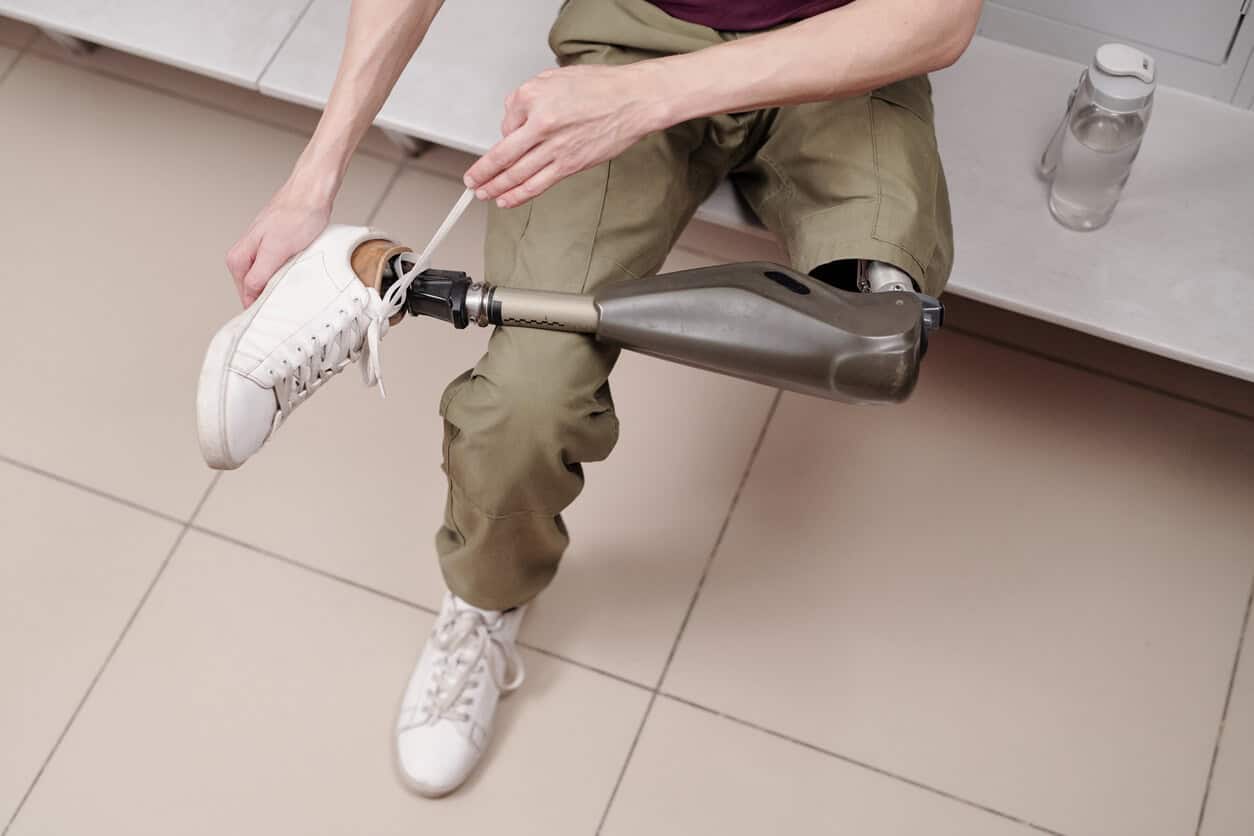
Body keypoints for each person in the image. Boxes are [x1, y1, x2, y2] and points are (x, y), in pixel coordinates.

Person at [205, 0, 979, 797]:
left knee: (876, 338)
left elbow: (939, 18)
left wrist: (659, 97)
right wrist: (314, 175)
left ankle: (849, 280)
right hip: (637, 29)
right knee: (524, 403)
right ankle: (486, 598)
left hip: (846, 50)